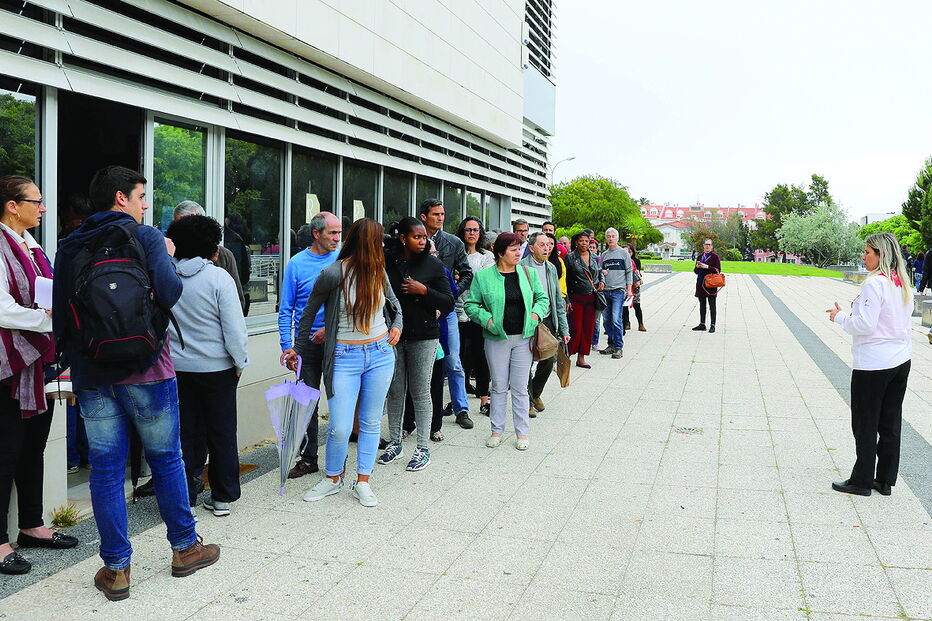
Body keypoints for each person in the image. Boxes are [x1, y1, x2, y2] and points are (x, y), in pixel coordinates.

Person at [53, 166, 219, 600]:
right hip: (148, 368)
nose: (146, 205)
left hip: (92, 375)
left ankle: (116, 569)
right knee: (166, 459)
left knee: (106, 471)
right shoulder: (145, 238)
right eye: (141, 196)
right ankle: (184, 548)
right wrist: (162, 255)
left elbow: (60, 315)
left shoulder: (69, 245)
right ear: (121, 198)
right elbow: (170, 294)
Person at [283, 218, 402, 508]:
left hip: (379, 354)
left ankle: (363, 480)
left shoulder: (378, 272)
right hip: (344, 357)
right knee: (338, 426)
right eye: (378, 241)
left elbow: (395, 305)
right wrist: (296, 349)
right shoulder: (334, 272)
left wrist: (397, 326)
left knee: (371, 421)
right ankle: (333, 478)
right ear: (366, 243)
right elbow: (308, 314)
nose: (382, 246)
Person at [0, 175, 79, 577]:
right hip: (10, 367)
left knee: (34, 446)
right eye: (36, 201)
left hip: (40, 362)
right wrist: (46, 320)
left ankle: (31, 525)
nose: (43, 208)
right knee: (6, 451)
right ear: (13, 205)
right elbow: (1, 307)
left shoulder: (31, 245)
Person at [166, 215, 248, 517]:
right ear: (213, 247)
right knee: (222, 431)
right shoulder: (218, 279)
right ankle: (223, 496)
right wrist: (240, 362)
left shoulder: (167, 277)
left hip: (177, 368)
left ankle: (185, 493)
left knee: (185, 432)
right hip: (218, 369)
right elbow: (234, 330)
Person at [826, 233, 913, 496]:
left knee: (865, 423)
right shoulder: (900, 283)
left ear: (881, 254)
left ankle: (862, 480)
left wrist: (841, 317)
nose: (863, 256)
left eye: (867, 252)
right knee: (889, 422)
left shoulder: (874, 284)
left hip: (874, 364)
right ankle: (884, 479)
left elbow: (865, 324)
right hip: (900, 359)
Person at [378, 217, 453, 471]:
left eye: (424, 237)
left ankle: (422, 448)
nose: (423, 241)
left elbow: (448, 302)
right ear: (403, 238)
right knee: (396, 390)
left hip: (425, 336)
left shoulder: (433, 264)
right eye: (417, 237)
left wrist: (424, 291)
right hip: (394, 336)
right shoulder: (389, 261)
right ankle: (395, 442)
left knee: (421, 391)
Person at [465, 233, 548, 450]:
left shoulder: (528, 273)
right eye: (513, 250)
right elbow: (471, 305)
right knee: (499, 386)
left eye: (519, 249)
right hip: (496, 338)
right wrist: (488, 320)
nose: (518, 253)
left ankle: (522, 432)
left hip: (524, 338)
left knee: (520, 387)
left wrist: (536, 315)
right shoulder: (483, 277)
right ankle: (496, 430)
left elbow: (542, 299)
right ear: (500, 253)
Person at [278, 212, 341, 479]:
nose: (337, 239)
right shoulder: (296, 264)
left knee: (340, 400)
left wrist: (330, 328)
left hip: (340, 344)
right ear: (316, 234)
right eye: (332, 233)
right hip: (306, 347)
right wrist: (287, 347)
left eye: (339, 233)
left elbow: (351, 304)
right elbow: (286, 309)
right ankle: (308, 458)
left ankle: (339, 458)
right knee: (306, 403)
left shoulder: (343, 261)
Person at [419, 198, 474, 429]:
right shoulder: (415, 238)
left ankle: (461, 408)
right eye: (435, 214)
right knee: (423, 364)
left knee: (453, 361)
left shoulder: (453, 242)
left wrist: (450, 296)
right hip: (420, 309)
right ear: (424, 216)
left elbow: (467, 273)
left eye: (442, 214)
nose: (440, 218)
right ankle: (423, 413)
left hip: (446, 309)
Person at [520, 232, 570, 417]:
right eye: (542, 245)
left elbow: (557, 299)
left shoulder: (550, 267)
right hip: (528, 320)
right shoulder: (521, 267)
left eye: (549, 245)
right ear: (531, 248)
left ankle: (536, 393)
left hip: (548, 319)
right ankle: (527, 401)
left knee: (548, 359)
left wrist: (564, 328)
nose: (547, 248)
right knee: (525, 361)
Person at [174, 201, 246, 313]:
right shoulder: (170, 255)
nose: (177, 231)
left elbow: (237, 301)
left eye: (180, 224)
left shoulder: (224, 255)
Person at [455, 216, 495, 417]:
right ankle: (460, 400)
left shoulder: (486, 255)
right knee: (461, 355)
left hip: (479, 310)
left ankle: (484, 399)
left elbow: (485, 281)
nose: (471, 233)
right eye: (468, 229)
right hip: (457, 309)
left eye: (475, 230)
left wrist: (462, 278)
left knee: (481, 355)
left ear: (480, 233)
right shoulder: (456, 252)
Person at [564, 231, 604, 368]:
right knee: (574, 327)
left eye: (587, 241)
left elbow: (599, 272)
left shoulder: (594, 256)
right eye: (581, 241)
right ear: (576, 242)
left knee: (588, 328)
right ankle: (566, 356)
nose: (584, 243)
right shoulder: (570, 257)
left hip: (591, 297)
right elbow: (565, 279)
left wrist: (601, 282)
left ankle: (581, 358)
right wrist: (566, 299)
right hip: (575, 297)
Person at [599, 228, 633, 359]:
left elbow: (629, 271)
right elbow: (600, 271)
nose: (611, 238)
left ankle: (618, 347)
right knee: (607, 320)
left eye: (613, 236)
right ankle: (611, 344)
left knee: (616, 319)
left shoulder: (623, 253)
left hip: (618, 291)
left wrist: (629, 289)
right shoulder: (604, 255)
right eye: (608, 236)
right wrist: (602, 273)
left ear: (617, 238)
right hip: (606, 291)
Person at [692, 239, 721, 333]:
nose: (707, 246)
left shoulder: (715, 257)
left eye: (709, 244)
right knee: (702, 305)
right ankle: (702, 324)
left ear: (712, 246)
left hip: (711, 284)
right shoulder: (700, 256)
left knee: (712, 304)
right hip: (700, 284)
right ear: (703, 246)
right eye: (706, 244)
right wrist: (697, 267)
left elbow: (717, 270)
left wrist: (707, 267)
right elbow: (695, 271)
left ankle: (713, 325)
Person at [622, 244, 647, 332]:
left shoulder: (636, 261)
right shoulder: (621, 261)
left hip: (635, 285)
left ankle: (641, 324)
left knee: (637, 305)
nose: (627, 253)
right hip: (624, 286)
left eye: (629, 251)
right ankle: (626, 323)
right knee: (624, 306)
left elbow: (638, 272)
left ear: (632, 252)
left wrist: (637, 272)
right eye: (624, 251)